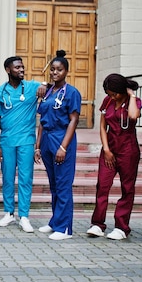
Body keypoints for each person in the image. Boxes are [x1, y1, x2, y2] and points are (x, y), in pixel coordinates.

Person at [0, 56, 46, 232]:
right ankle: (9, 213)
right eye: (17, 68)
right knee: (7, 178)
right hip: (7, 141)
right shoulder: (0, 91)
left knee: (25, 179)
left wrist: (45, 85)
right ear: (8, 70)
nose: (21, 70)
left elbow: (50, 87)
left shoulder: (31, 87)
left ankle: (24, 216)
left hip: (26, 141)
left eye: (22, 67)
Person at [86, 74, 141, 240]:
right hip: (109, 148)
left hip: (128, 150)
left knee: (127, 188)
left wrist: (131, 96)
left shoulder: (134, 101)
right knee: (102, 186)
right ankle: (98, 224)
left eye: (114, 93)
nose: (112, 96)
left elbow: (133, 116)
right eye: (109, 93)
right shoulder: (107, 101)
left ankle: (121, 227)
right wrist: (107, 150)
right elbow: (103, 126)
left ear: (122, 90)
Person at [34, 50, 81, 240]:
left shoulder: (72, 93)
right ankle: (55, 221)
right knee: (54, 185)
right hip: (47, 139)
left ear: (66, 72)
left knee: (63, 185)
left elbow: (73, 120)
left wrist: (63, 147)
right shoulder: (47, 92)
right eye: (52, 70)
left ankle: (65, 228)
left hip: (62, 139)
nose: (54, 73)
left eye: (59, 70)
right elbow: (42, 121)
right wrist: (37, 146)